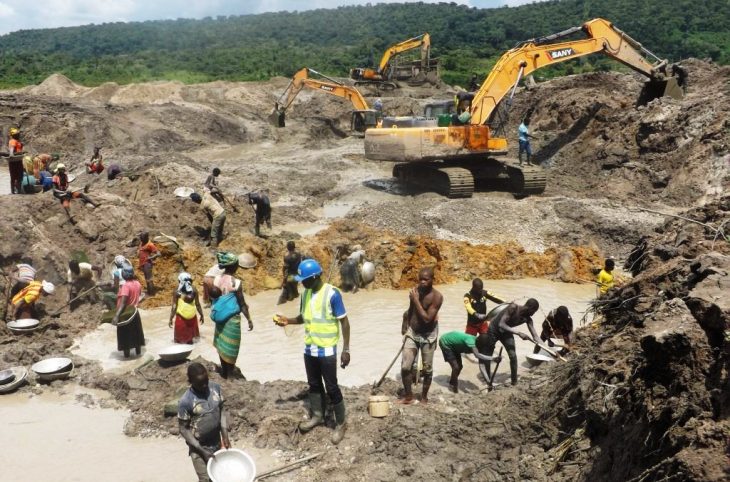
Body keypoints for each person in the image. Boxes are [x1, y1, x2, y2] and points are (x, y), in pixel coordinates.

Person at [274, 258, 351, 444]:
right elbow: (304, 317)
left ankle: (341, 423)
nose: (301, 282)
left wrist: (346, 349)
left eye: (304, 279)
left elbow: (344, 322)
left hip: (326, 350)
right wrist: (287, 320)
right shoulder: (305, 295)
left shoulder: (332, 294)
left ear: (315, 277)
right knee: (314, 384)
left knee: (331, 387)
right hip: (309, 348)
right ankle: (317, 416)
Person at [178, 362, 230, 482]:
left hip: (216, 443)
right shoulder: (186, 401)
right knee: (206, 479)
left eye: (206, 381)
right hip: (199, 448)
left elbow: (222, 410)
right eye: (200, 384)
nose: (205, 386)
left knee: (220, 476)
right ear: (190, 381)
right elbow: (183, 429)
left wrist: (225, 436)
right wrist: (201, 450)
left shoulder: (215, 388)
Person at [399, 266, 443, 404]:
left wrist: (416, 299)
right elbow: (410, 310)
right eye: (420, 279)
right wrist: (405, 323)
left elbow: (427, 319)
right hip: (413, 332)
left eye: (426, 279)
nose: (422, 282)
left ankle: (424, 397)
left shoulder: (437, 297)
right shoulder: (415, 291)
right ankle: (408, 396)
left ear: (432, 280)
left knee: (427, 369)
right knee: (406, 366)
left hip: (428, 335)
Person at [477, 299, 541, 386]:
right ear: (529, 307)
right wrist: (519, 333)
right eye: (534, 311)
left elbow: (536, 337)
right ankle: (488, 381)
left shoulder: (528, 319)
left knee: (513, 356)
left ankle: (514, 382)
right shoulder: (513, 307)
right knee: (489, 355)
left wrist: (549, 349)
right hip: (494, 330)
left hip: (506, 332)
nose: (534, 314)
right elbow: (501, 324)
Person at [212, 251, 253, 379]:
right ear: (234, 266)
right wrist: (249, 319)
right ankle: (230, 374)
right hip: (232, 320)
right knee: (232, 346)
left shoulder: (217, 279)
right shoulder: (236, 283)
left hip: (220, 319)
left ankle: (224, 371)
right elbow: (242, 304)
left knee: (222, 345)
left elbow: (214, 298)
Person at [111, 267, 145, 358]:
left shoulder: (126, 286)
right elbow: (139, 296)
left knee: (125, 337)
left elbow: (123, 303)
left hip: (126, 314)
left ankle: (127, 357)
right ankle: (138, 355)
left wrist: (116, 315)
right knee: (137, 336)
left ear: (124, 275)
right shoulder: (137, 283)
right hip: (135, 312)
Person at [169, 272, 204, 344]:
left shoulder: (177, 291)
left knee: (179, 341)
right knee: (190, 340)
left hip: (181, 318)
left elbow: (174, 306)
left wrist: (171, 318)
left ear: (179, 281)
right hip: (192, 317)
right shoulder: (194, 289)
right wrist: (202, 315)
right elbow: (197, 304)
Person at [277, 240, 302, 305]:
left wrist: (284, 277)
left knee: (290, 295)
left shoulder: (287, 257)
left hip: (290, 276)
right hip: (297, 276)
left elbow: (285, 268)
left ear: (287, 247)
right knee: (295, 292)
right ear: (294, 247)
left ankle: (289, 305)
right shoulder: (299, 254)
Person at [137, 232, 160, 296]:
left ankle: (152, 294)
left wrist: (151, 257)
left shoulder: (150, 245)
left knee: (149, 280)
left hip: (147, 264)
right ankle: (149, 292)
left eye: (142, 238)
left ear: (146, 238)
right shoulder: (142, 243)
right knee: (147, 279)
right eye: (140, 238)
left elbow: (158, 253)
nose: (141, 239)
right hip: (143, 264)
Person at [7, 127, 24, 194]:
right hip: (14, 161)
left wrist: (21, 145)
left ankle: (18, 190)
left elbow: (18, 149)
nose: (18, 135)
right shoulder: (13, 141)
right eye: (17, 134)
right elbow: (12, 148)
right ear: (14, 135)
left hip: (18, 160)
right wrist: (11, 154)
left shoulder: (17, 141)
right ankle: (14, 191)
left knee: (19, 176)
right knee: (14, 176)